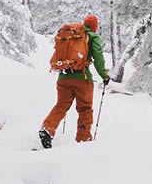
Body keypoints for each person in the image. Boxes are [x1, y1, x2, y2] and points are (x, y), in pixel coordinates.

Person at [39, 14, 108, 149]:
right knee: (85, 109)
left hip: (64, 78)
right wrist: (104, 75)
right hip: (83, 79)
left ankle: (47, 128)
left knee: (61, 105)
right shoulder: (92, 37)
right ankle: (83, 141)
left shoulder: (71, 36)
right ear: (95, 27)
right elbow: (98, 57)